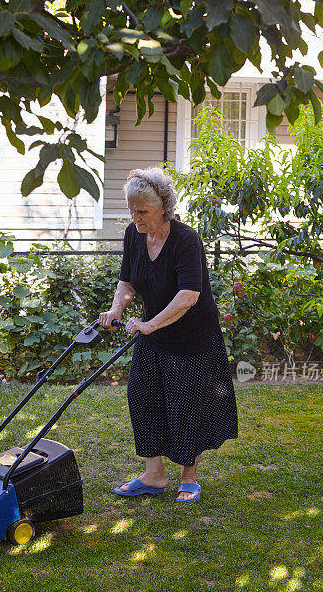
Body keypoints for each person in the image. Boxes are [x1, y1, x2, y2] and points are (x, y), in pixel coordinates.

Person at [99, 167, 238, 502]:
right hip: (154, 330)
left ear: (164, 208)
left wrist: (149, 324)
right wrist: (118, 308)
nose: (135, 218)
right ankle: (154, 474)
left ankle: (188, 477)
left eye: (142, 211)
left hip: (193, 337)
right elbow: (127, 282)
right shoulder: (134, 235)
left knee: (186, 404)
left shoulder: (185, 239)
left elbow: (189, 295)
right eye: (131, 210)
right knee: (142, 396)